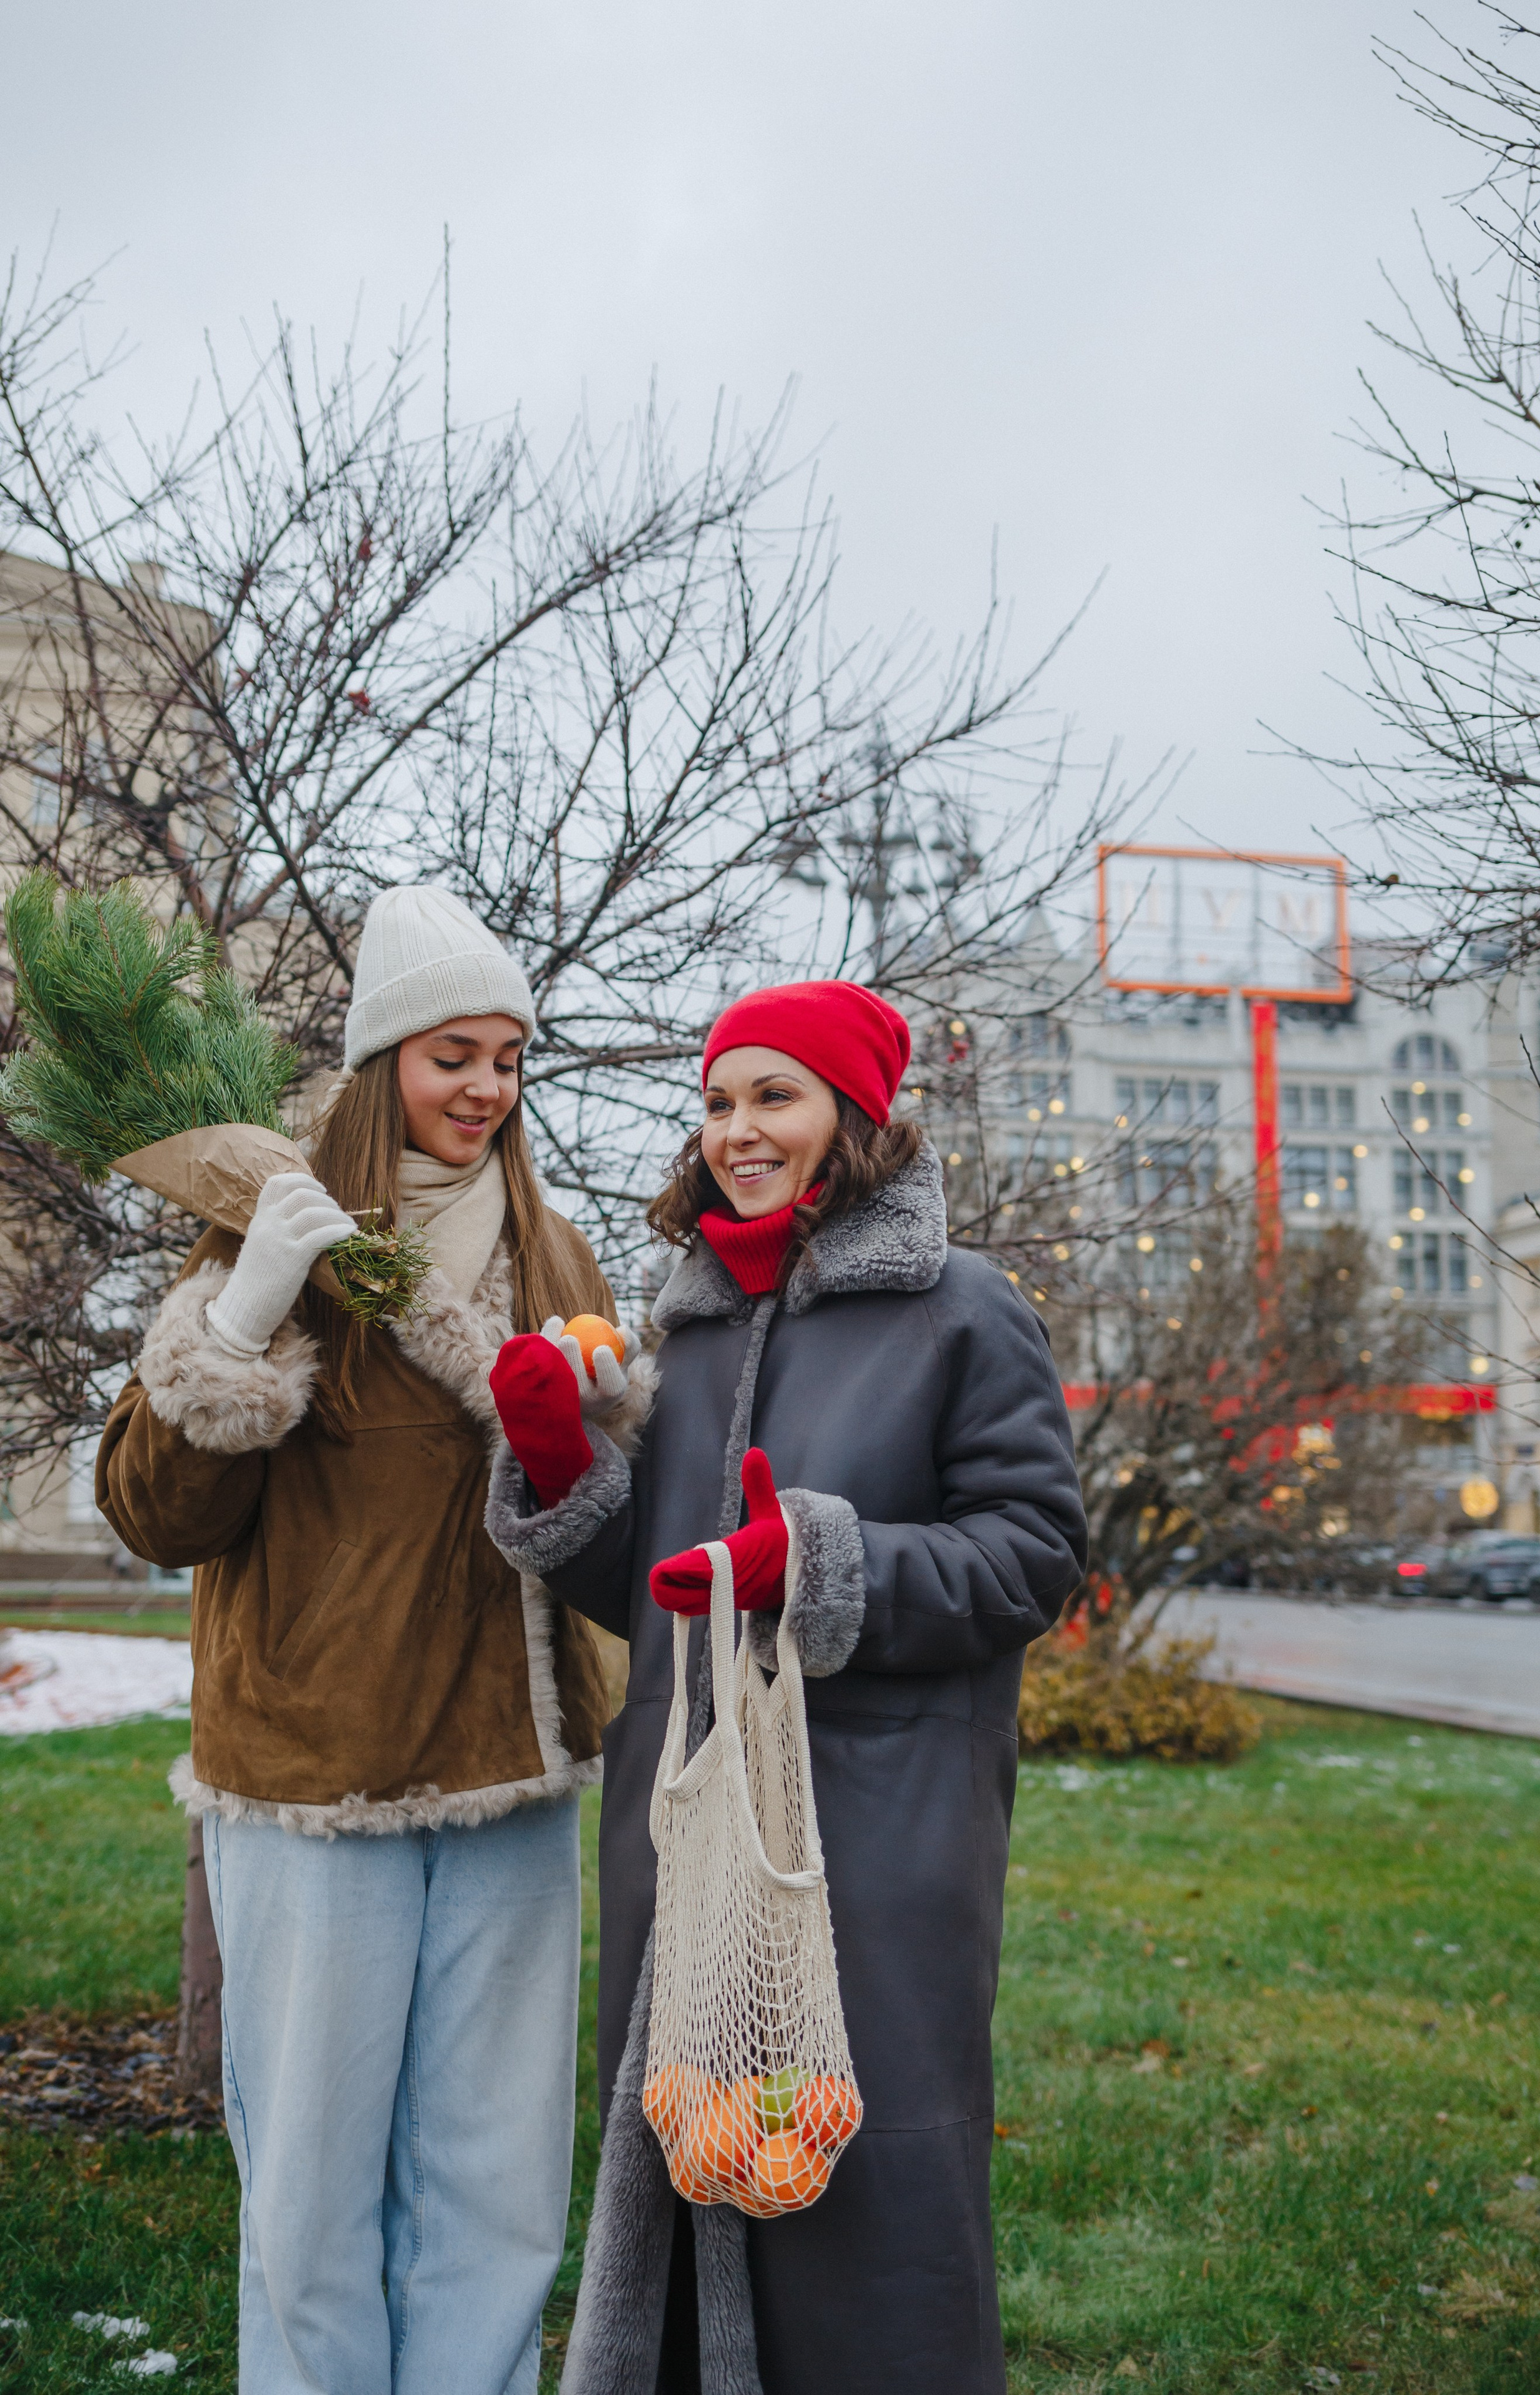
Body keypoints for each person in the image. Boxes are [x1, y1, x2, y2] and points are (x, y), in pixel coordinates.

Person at [487, 978, 1087, 2395]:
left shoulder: (961, 1309)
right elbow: (660, 1588)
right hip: (682, 1818)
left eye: (775, 1097)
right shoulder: (687, 1325)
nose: (737, 1131)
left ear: (854, 1116)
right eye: (716, 1102)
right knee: (694, 2144)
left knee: (859, 2174)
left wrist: (809, 1562)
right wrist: (570, 1478)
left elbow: (1032, 1552)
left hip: (872, 1826)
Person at [96, 885, 651, 2395]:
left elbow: (608, 1528)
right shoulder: (266, 1232)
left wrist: (594, 1419)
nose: (483, 1090)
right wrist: (245, 1312)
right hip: (309, 1768)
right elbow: (158, 1515)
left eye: (508, 1060)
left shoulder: (557, 1260)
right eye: (449, 1054)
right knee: (313, 2187)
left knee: (495, 2176)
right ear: (381, 1063)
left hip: (508, 1764)